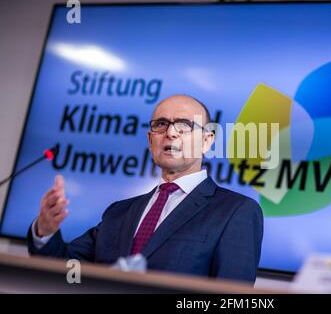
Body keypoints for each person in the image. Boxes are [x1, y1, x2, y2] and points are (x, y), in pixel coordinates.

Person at [27, 94, 264, 283]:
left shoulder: (236, 211)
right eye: (161, 124)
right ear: (151, 141)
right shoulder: (118, 213)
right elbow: (70, 273)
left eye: (184, 125)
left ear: (206, 141)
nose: (170, 132)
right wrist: (45, 230)